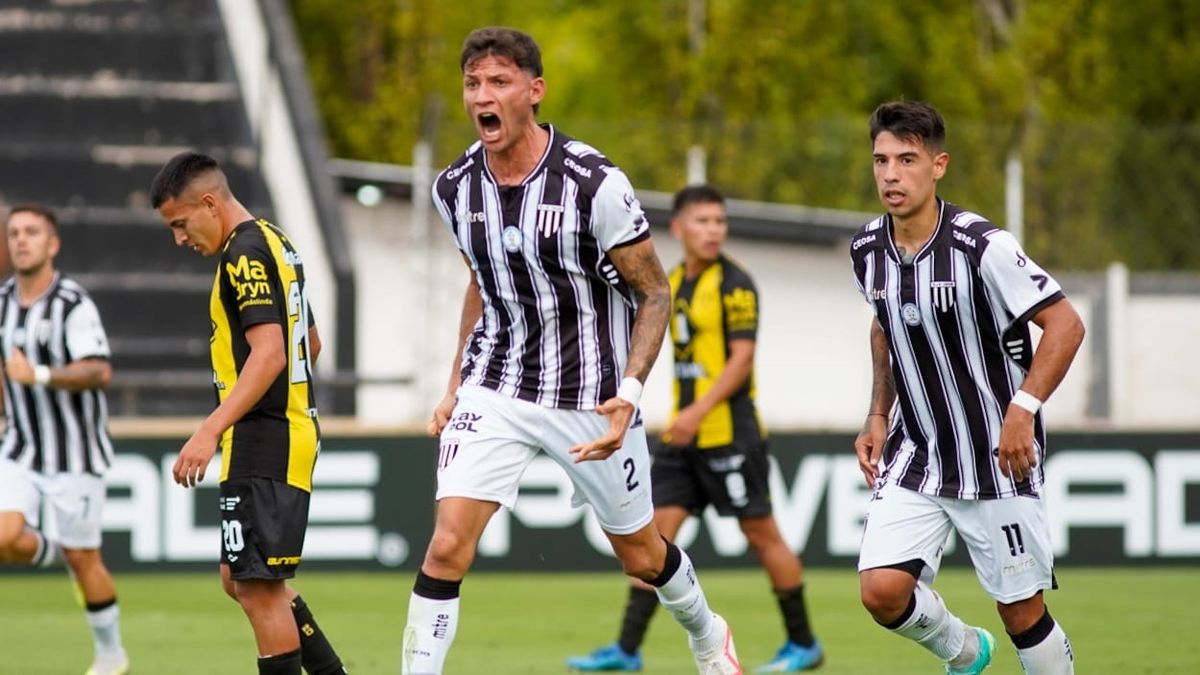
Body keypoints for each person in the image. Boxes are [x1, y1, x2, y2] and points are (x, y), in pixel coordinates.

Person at [402, 27, 742, 675]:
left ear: (534, 92)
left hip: (591, 394)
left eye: (499, 82)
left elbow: (655, 294)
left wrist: (630, 394)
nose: (483, 95)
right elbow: (481, 280)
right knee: (446, 546)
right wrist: (453, 384)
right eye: (473, 83)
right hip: (495, 386)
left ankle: (706, 630)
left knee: (642, 555)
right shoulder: (453, 188)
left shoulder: (593, 183)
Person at [850, 100, 1084, 675]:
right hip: (918, 452)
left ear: (939, 166)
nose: (891, 174)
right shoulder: (866, 251)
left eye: (907, 159)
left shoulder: (982, 247)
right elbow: (886, 323)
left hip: (997, 454)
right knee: (881, 591)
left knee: (1022, 611)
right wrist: (877, 415)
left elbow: (1066, 325)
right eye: (881, 160)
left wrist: (1022, 409)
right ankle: (964, 651)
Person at [566, 185, 824, 673]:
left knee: (762, 533)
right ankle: (626, 649)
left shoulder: (736, 284)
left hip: (729, 434)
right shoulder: (673, 282)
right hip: (684, 441)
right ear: (679, 228)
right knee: (652, 538)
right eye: (703, 222)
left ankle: (803, 642)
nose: (714, 231)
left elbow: (741, 360)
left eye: (720, 222)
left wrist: (696, 412)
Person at [150, 152, 348, 675]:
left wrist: (210, 429)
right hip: (276, 433)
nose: (180, 239)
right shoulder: (275, 240)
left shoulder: (242, 255)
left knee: (258, 589)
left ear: (209, 203)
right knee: (239, 578)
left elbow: (271, 354)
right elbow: (311, 341)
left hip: (267, 439)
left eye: (180, 224)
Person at [0, 203, 130, 675]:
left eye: (32, 232)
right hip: (18, 449)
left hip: (74, 454)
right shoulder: (2, 302)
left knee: (84, 559)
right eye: (14, 232)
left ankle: (112, 653)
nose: (21, 240)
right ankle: (50, 548)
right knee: (3, 536)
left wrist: (35, 374)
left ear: (52, 244)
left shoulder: (73, 303)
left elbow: (99, 370)